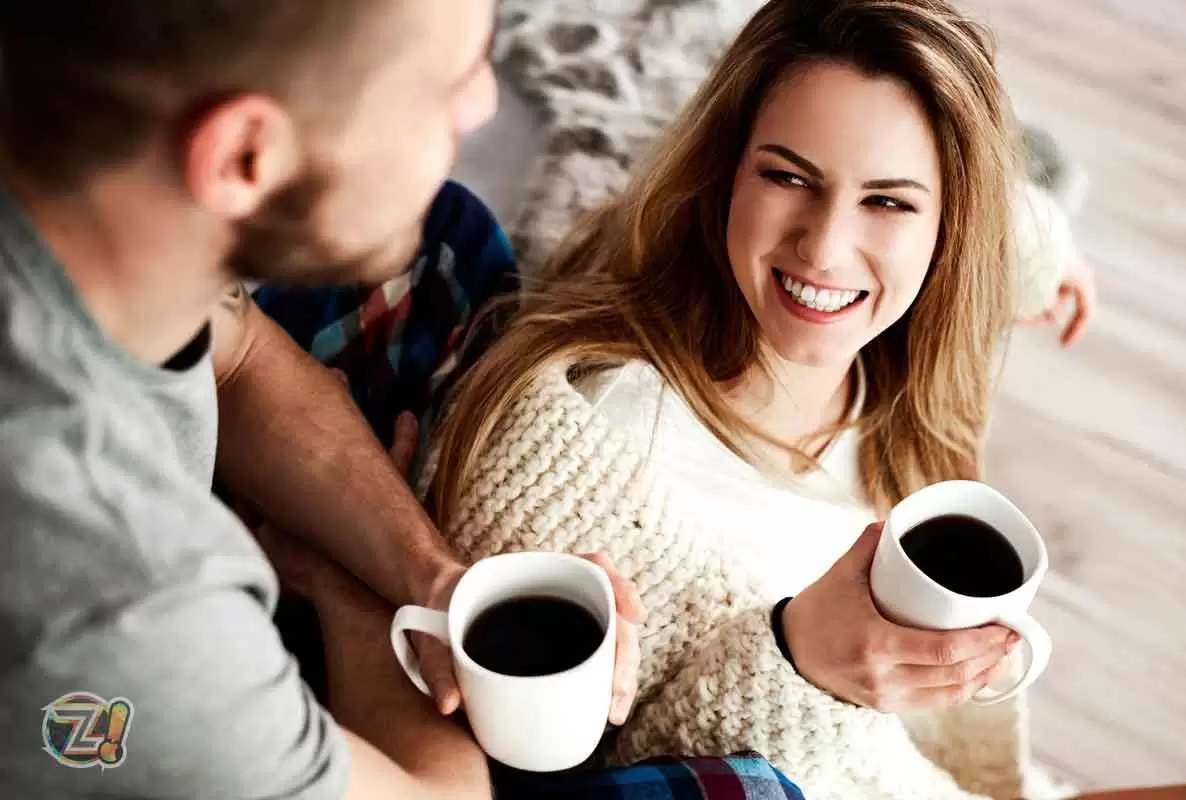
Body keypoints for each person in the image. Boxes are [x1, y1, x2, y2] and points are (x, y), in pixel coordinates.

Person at [423, 0, 1096, 797]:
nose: (824, 248)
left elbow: (1007, 222)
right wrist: (804, 665)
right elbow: (610, 780)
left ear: (952, 230)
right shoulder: (583, 463)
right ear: (725, 174)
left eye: (888, 202)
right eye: (786, 176)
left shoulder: (907, 370)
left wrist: (1053, 261)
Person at [0, 1, 644, 797]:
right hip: (119, 703)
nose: (484, 103)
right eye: (447, 81)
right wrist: (353, 603)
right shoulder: (128, 607)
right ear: (243, 155)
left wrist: (436, 585)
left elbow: (233, 359)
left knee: (444, 238)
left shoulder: (77, 181)